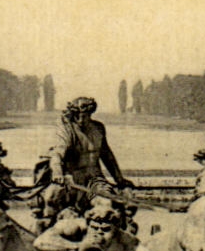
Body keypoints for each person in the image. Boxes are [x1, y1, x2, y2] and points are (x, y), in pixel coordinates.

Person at [35, 96, 135, 227]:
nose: (82, 120)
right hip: (72, 180)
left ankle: (103, 230)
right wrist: (58, 172)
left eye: (85, 116)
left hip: (95, 179)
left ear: (91, 114)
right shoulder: (67, 129)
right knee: (51, 199)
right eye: (78, 116)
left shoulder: (98, 128)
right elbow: (57, 154)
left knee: (106, 203)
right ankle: (46, 228)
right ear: (73, 114)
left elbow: (107, 155)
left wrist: (119, 179)